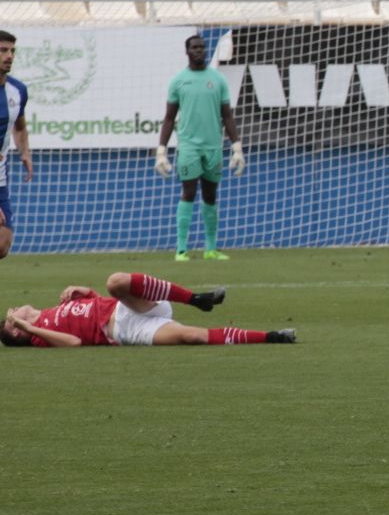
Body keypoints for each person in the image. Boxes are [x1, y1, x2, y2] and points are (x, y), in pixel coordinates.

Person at [1, 271, 294, 347]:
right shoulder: (40, 336)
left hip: (126, 306)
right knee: (193, 337)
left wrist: (85, 292)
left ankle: (196, 299)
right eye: (12, 322)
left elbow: (98, 304)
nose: (14, 312)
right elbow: (75, 341)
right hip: (127, 330)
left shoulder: (57, 306)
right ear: (20, 331)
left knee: (115, 282)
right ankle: (271, 336)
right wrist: (30, 328)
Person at [156, 34, 244, 262]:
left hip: (213, 146)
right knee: (188, 193)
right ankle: (181, 249)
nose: (199, 51)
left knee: (210, 195)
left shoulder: (217, 80)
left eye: (202, 47)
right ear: (187, 51)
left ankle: (211, 249)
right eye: (194, 47)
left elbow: (227, 115)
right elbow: (169, 117)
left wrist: (236, 147)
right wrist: (161, 151)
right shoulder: (179, 81)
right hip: (188, 147)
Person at [0, 30, 32, 259]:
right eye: (3, 50)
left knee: (2, 243)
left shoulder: (17, 90)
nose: (9, 56)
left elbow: (19, 126)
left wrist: (25, 152)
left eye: (12, 51)